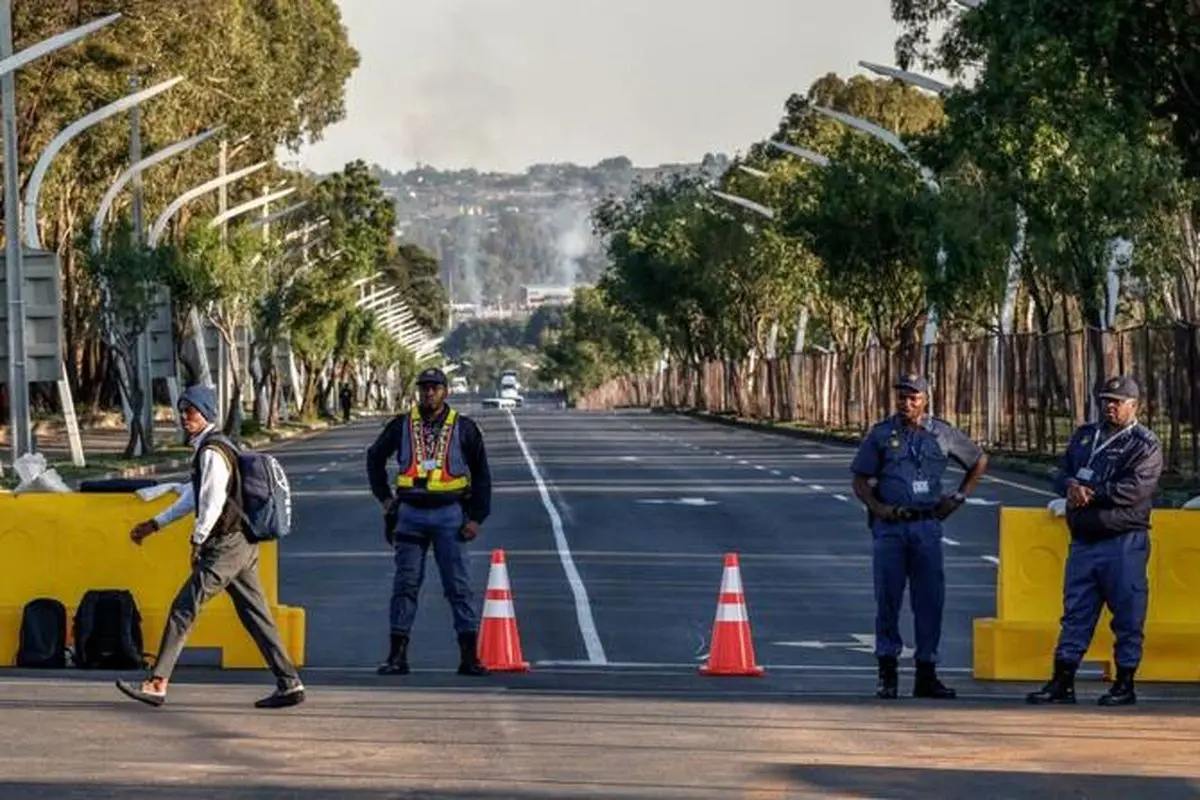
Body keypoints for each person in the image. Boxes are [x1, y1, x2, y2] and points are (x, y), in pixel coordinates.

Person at [116, 385, 305, 709]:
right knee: (255, 614)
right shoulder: (215, 447)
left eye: (190, 411)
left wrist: (198, 540)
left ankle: (157, 683)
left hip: (226, 546)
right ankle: (289, 683)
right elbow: (192, 495)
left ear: (206, 414)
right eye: (182, 411)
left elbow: (212, 500)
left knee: (183, 609)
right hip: (242, 544)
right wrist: (156, 524)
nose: (184, 417)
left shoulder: (213, 451)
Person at [850, 374, 989, 700]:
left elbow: (979, 460)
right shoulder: (881, 434)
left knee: (930, 601)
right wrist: (878, 507)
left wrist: (958, 497)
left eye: (913, 397)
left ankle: (927, 672)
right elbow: (859, 478)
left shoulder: (942, 433)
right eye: (901, 396)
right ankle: (888, 672)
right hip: (892, 528)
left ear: (926, 399)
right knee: (888, 599)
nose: (906, 402)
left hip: (927, 526)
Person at [1027, 375, 1162, 707]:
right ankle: (1062, 681)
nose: (1110, 407)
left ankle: (1124, 682)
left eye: (1118, 402)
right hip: (1084, 541)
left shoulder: (1144, 444)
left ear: (1135, 406)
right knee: (1076, 613)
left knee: (1127, 615)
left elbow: (1136, 489)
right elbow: (1060, 474)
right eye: (1106, 400)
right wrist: (1071, 486)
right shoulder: (1086, 436)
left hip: (1123, 542)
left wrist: (1093, 493)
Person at [366, 367, 492, 676]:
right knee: (405, 584)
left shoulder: (464, 427)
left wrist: (476, 517)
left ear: (445, 391)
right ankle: (397, 656)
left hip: (451, 515)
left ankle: (469, 657)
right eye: (424, 388)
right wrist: (385, 500)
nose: (429, 393)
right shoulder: (401, 426)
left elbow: (482, 474)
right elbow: (374, 458)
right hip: (410, 513)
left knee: (458, 586)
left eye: (435, 388)